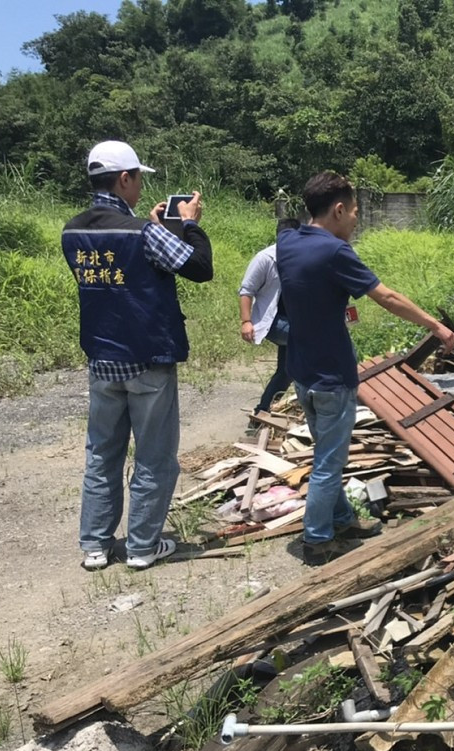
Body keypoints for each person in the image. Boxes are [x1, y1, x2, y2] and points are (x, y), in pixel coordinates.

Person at [277, 171, 454, 565]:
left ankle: (341, 518)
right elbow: (387, 297)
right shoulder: (335, 252)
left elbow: (284, 226)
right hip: (331, 375)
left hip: (302, 373)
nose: (357, 220)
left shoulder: (288, 243)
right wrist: (436, 326)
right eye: (355, 212)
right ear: (339, 210)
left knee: (328, 454)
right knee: (330, 461)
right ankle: (317, 539)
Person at [62, 140, 214, 571]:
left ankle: (95, 545)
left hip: (102, 359)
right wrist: (188, 224)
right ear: (124, 178)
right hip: (147, 358)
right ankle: (143, 546)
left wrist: (160, 230)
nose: (140, 187)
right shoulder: (142, 232)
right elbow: (198, 267)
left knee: (102, 454)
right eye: (138, 179)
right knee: (153, 456)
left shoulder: (72, 230)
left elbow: (122, 275)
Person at [239, 218, 299, 421]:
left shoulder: (298, 259)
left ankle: (262, 411)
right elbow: (246, 291)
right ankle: (314, 404)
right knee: (310, 342)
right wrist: (246, 322)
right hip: (271, 322)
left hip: (292, 321)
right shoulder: (265, 258)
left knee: (287, 371)